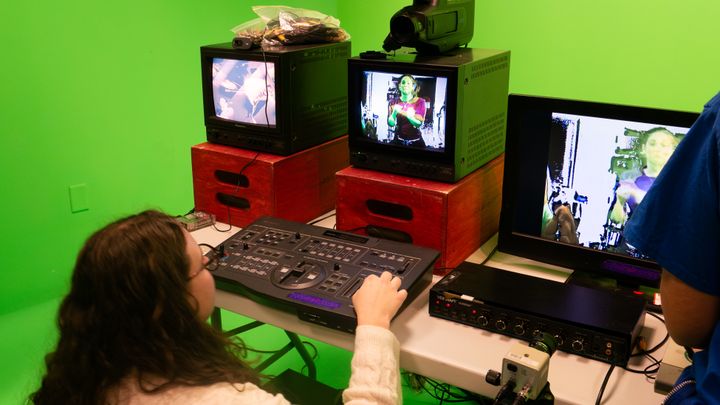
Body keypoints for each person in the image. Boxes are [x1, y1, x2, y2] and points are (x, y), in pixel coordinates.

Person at [30, 210, 407, 405]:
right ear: (174, 302)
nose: (210, 266)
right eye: (203, 262)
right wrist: (374, 326)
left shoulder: (88, 374)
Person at [624, 92, 720, 404]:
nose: (660, 148)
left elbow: (687, 324)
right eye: (653, 142)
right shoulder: (628, 184)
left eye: (667, 143)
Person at [608, 127, 681, 227]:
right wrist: (619, 202)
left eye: (664, 145)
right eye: (652, 144)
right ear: (644, 148)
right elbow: (616, 220)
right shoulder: (629, 177)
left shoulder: (680, 180)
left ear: (673, 150)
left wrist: (635, 192)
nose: (657, 149)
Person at [387, 75, 427, 148]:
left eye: (409, 83)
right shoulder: (393, 102)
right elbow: (390, 123)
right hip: (398, 141)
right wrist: (394, 112)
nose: (405, 85)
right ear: (399, 86)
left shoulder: (421, 101)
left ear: (413, 87)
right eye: (403, 82)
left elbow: (418, 124)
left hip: (416, 143)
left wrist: (409, 115)